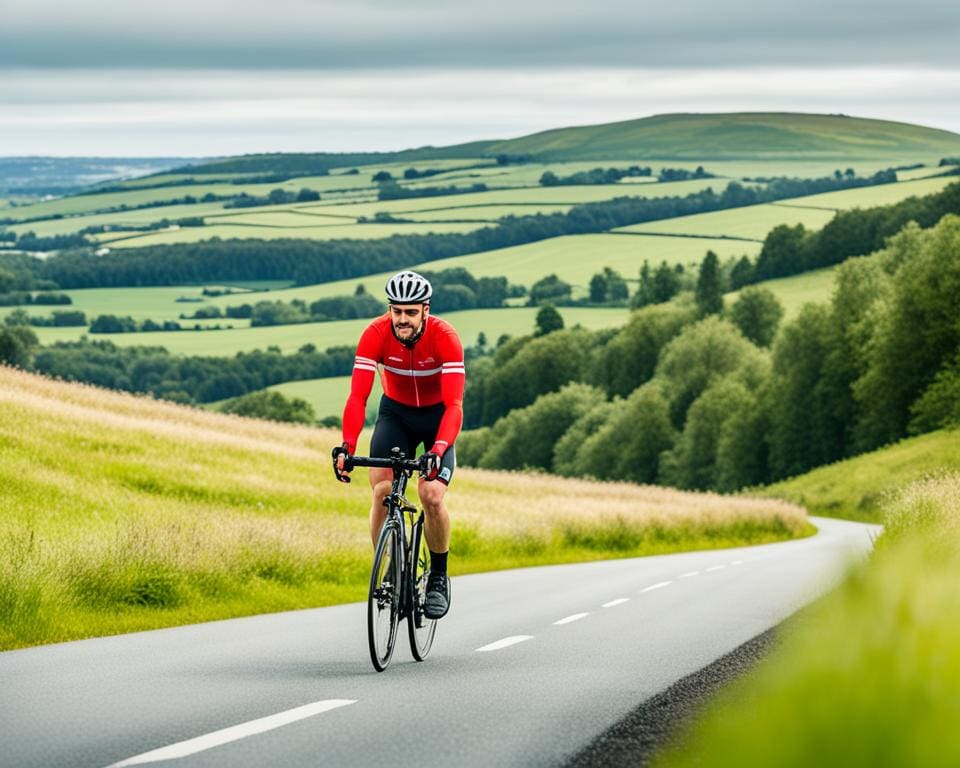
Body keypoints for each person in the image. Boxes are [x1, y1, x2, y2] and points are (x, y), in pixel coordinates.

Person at [332, 270, 464, 619]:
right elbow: (358, 396)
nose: (402, 319)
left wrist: (437, 450)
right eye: (396, 311)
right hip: (396, 415)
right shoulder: (375, 334)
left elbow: (454, 406)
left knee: (431, 495)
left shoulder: (445, 338)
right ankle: (388, 569)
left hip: (437, 418)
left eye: (410, 312)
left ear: (425, 310)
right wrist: (347, 445)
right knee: (381, 491)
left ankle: (437, 577)